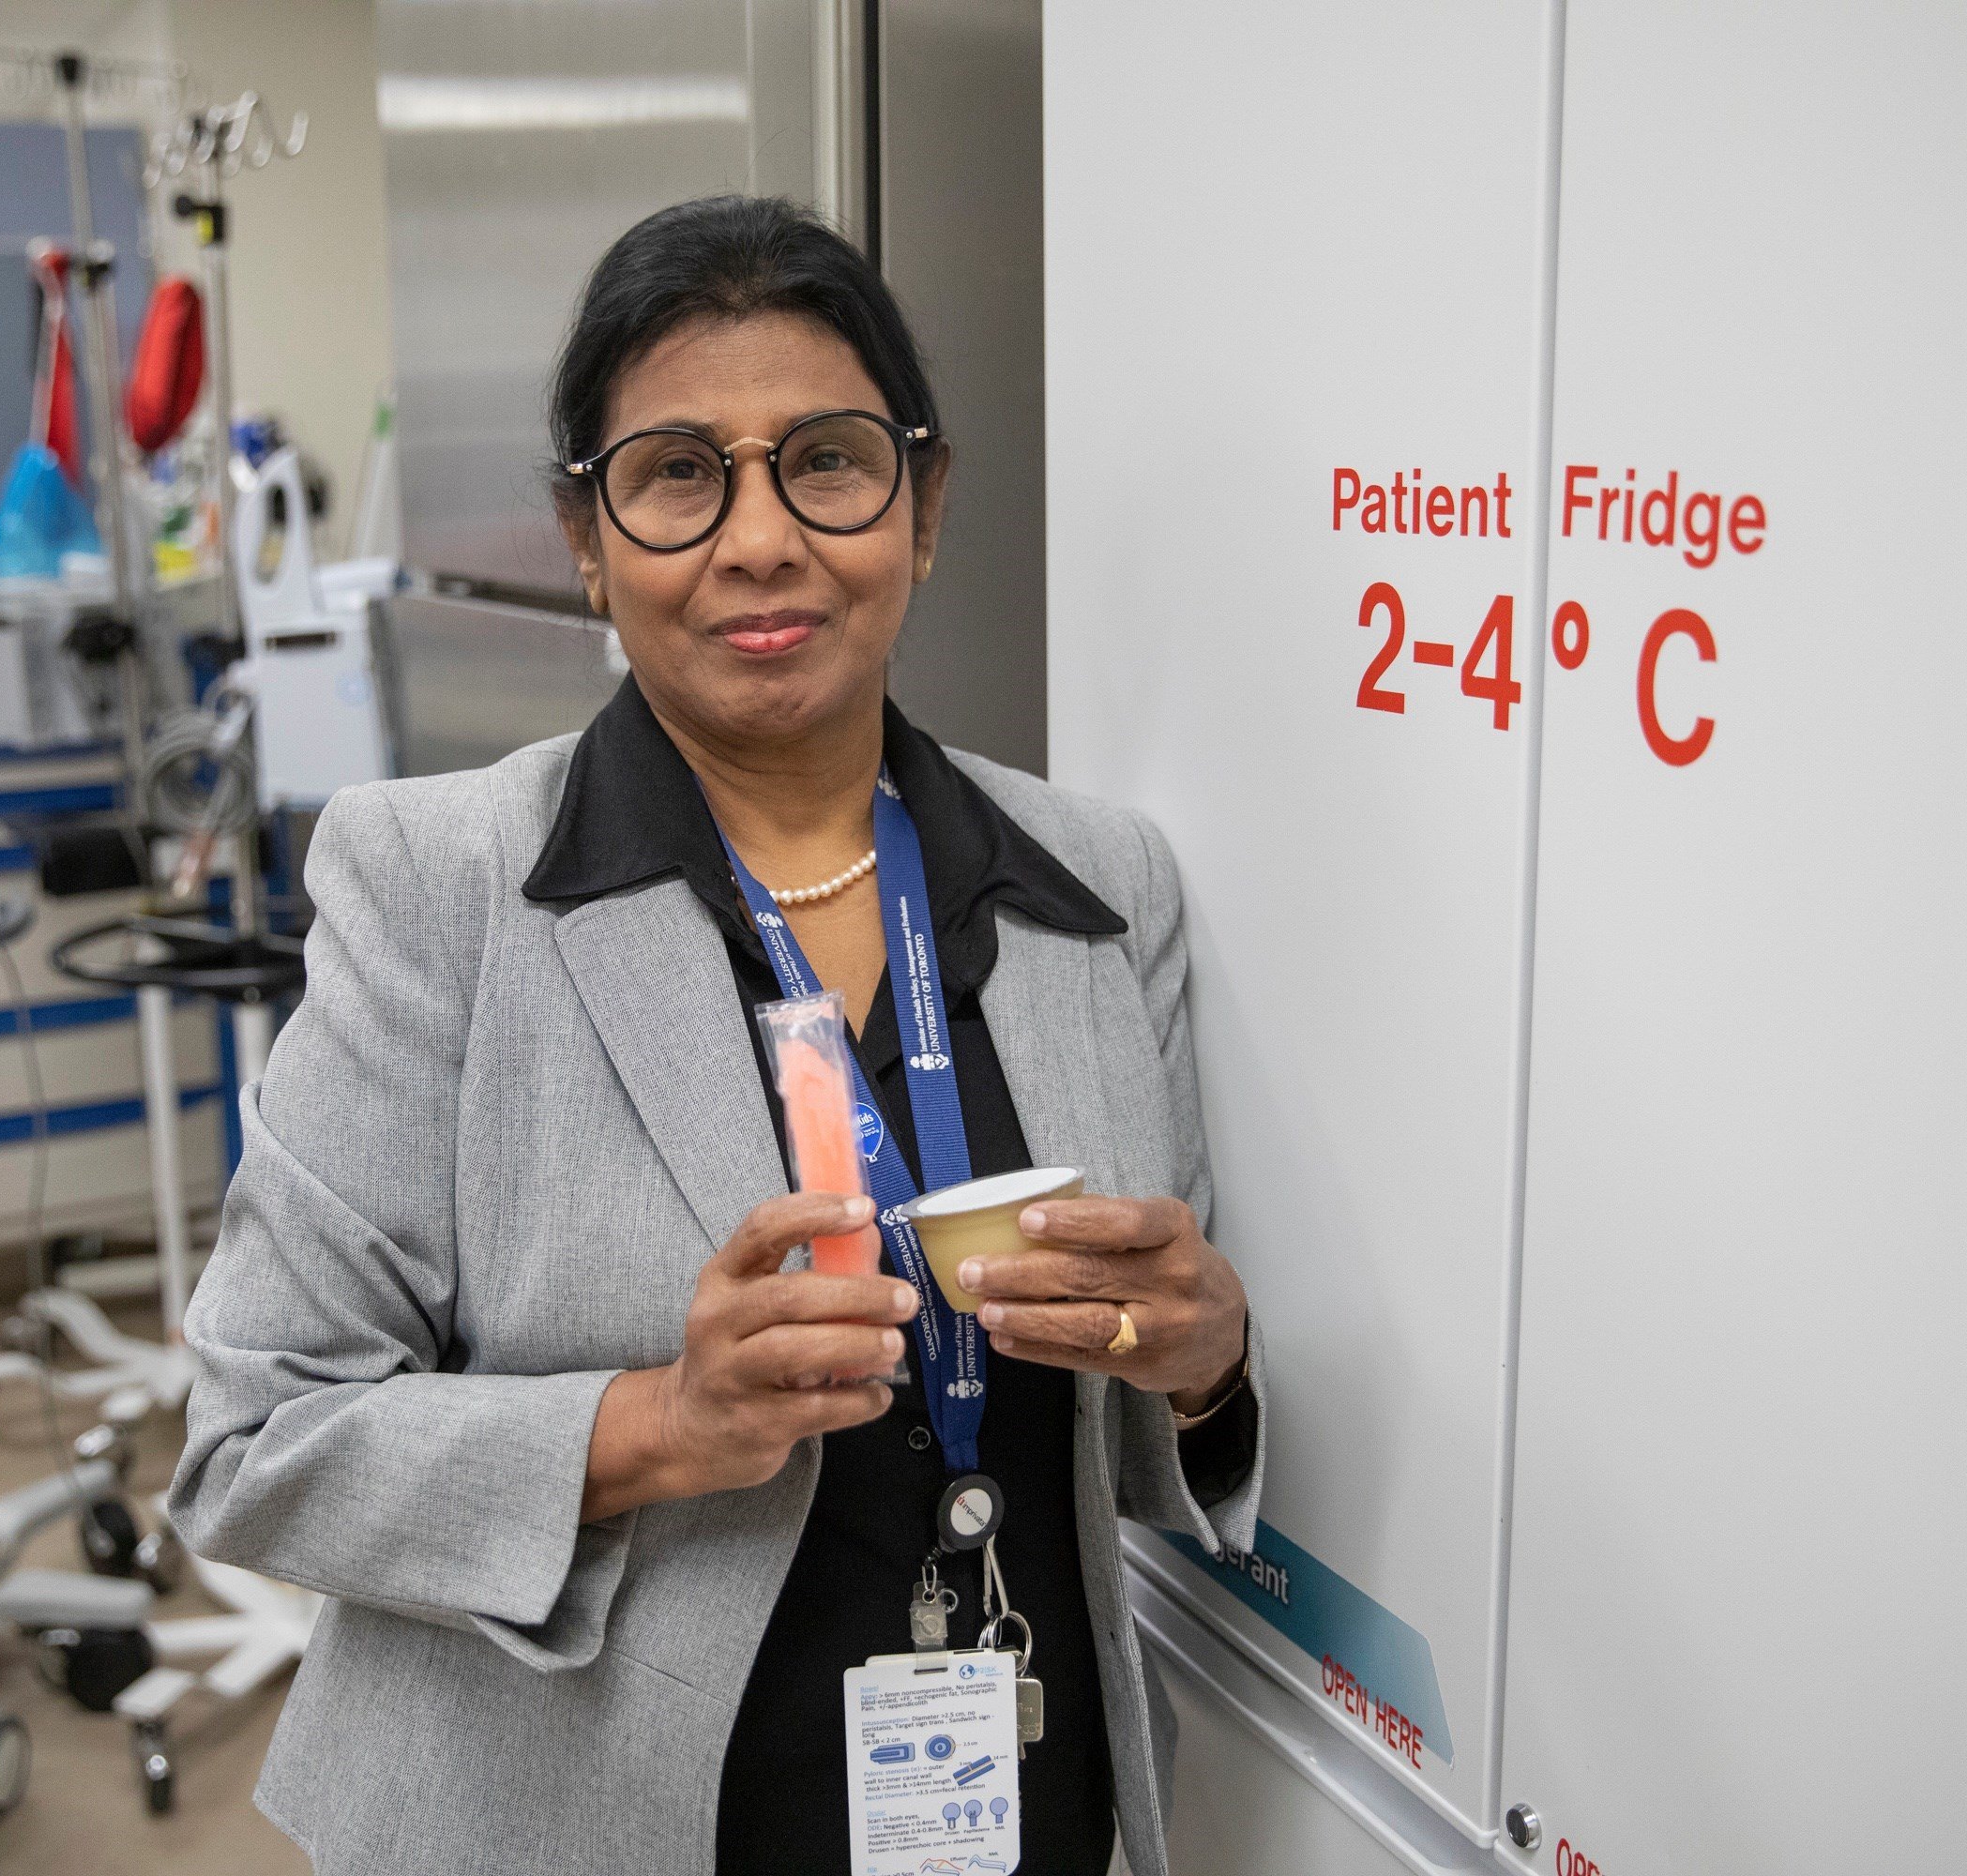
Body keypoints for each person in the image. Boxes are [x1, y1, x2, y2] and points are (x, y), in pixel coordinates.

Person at [171, 194, 1264, 1876]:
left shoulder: (1100, 886)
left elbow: (1149, 1415)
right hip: (569, 1816)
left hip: (1017, 1796)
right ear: (587, 536)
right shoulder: (440, 884)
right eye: (680, 474)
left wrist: (1201, 1370)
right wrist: (654, 1429)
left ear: (923, 504)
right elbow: (256, 1445)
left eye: (825, 461)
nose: (761, 539)